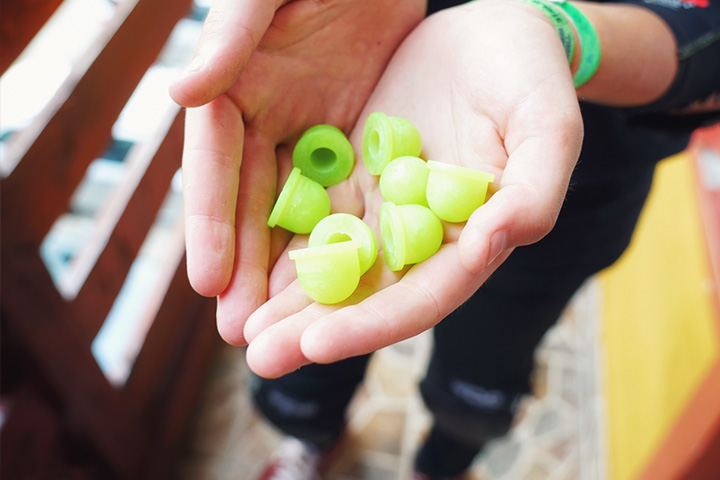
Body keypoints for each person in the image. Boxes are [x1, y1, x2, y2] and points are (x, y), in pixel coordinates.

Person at [170, 0, 720, 478]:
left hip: (571, 201)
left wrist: (561, 32)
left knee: (478, 388)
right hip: (367, 76)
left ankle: (444, 465)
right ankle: (309, 439)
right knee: (305, 364)